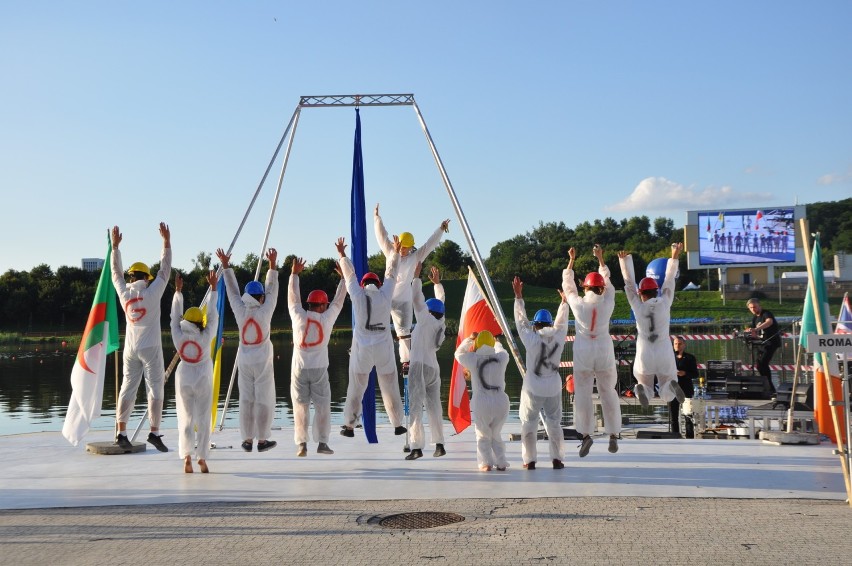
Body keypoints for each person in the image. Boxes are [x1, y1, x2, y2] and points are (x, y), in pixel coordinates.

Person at [336, 236, 407, 438]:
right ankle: (397, 424)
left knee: (356, 388)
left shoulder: (357, 295)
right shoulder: (385, 293)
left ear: (363, 283)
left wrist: (342, 254)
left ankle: (349, 426)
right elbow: (391, 273)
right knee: (390, 386)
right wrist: (394, 252)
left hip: (363, 350)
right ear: (376, 283)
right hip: (383, 348)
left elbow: (349, 275)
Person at [110, 223, 172, 452]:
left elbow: (115, 273)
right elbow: (165, 271)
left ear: (131, 277)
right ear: (145, 277)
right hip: (151, 347)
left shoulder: (124, 293)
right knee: (155, 388)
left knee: (128, 387)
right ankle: (154, 432)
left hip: (130, 348)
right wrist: (166, 243)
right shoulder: (152, 292)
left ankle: (121, 432)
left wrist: (115, 248)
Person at [216, 247, 280, 453]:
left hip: (244, 360)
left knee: (246, 399)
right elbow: (273, 290)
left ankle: (247, 440)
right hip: (262, 361)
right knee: (264, 398)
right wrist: (272, 265)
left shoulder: (239, 309)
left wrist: (226, 266)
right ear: (260, 297)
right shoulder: (265, 310)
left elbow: (232, 291)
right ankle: (262, 440)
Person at [374, 203, 450, 373]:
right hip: (386, 294)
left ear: (410, 247)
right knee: (375, 322)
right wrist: (377, 218)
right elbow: (381, 236)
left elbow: (429, 245)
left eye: (406, 247)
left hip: (402, 300)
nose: (403, 250)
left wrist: (440, 229)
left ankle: (406, 361)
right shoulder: (390, 251)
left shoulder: (415, 257)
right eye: (402, 246)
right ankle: (367, 350)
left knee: (404, 333)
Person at [562, 244, 621, 457]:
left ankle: (586, 435)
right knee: (608, 392)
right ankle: (613, 433)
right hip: (604, 349)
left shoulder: (578, 305)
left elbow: (568, 287)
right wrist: (601, 259)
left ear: (585, 288)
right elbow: (610, 285)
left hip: (584, 350)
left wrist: (571, 261)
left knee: (583, 395)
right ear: (601, 288)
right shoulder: (607, 304)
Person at [287, 256, 347, 457]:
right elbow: (339, 302)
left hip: (299, 369)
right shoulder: (327, 319)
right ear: (322, 306)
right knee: (322, 406)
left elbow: (293, 298)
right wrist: (344, 279)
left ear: (310, 304)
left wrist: (294, 275)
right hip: (319, 369)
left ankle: (302, 444)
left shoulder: (298, 316)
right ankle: (322, 442)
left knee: (300, 406)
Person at [617, 243, 686, 409]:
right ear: (657, 291)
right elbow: (669, 280)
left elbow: (629, 285)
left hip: (645, 349)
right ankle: (669, 387)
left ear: (641, 293)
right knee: (668, 380)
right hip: (663, 349)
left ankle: (642, 389)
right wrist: (674, 255)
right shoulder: (665, 302)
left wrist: (625, 262)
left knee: (644, 381)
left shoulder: (638, 306)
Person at [512, 275, 569, 470]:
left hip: (534, 386)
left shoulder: (532, 339)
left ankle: (529, 461)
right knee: (554, 423)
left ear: (535, 325)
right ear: (549, 324)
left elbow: (520, 322)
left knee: (529, 423)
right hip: (553, 386)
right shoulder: (559, 337)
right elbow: (562, 323)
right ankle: (557, 459)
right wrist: (563, 304)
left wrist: (519, 298)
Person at [170, 269, 218, 473]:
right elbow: (213, 315)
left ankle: (187, 457)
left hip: (184, 377)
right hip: (203, 377)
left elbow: (174, 317)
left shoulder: (178, 336)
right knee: (203, 419)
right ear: (200, 323)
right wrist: (214, 289)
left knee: (185, 418)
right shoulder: (206, 336)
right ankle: (203, 459)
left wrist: (178, 292)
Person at [405, 264, 447, 460]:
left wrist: (416, 277)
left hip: (419, 367)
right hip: (434, 369)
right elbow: (441, 302)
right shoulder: (441, 322)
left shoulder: (423, 319)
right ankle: (439, 444)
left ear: (427, 310)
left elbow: (416, 298)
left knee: (415, 407)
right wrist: (438, 284)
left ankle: (416, 447)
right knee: (434, 407)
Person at [455, 331, 510, 472]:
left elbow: (458, 353)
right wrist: (497, 342)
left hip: (482, 402)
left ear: (477, 344)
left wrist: (469, 339)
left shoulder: (473, 359)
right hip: (500, 401)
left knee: (483, 434)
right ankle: (502, 462)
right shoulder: (502, 358)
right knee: (496, 433)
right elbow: (502, 350)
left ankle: (486, 463)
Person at [746, 298, 780, 394]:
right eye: (751, 308)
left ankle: (770, 388)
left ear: (759, 306)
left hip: (771, 342)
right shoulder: (754, 318)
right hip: (762, 342)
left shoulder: (766, 313)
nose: (753, 309)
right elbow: (755, 334)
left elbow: (769, 322)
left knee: (763, 363)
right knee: (759, 365)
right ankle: (767, 386)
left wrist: (756, 329)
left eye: (755, 307)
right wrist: (749, 333)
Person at [671, 336, 698, 437]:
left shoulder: (690, 358)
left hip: (686, 389)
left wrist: (685, 373)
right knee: (673, 417)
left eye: (680, 344)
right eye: (675, 344)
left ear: (684, 345)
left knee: (688, 415)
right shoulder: (669, 357)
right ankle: (674, 436)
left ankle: (690, 437)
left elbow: (695, 374)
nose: (677, 346)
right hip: (672, 389)